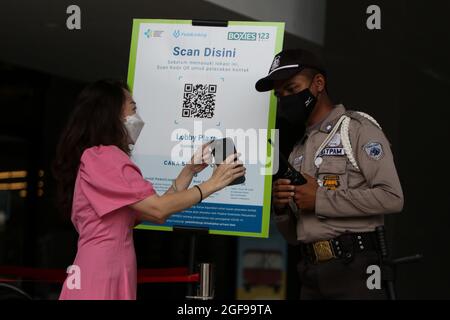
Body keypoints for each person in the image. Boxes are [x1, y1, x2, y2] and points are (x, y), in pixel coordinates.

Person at [53, 79, 245, 300]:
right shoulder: (104, 157)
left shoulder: (100, 157)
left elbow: (152, 210)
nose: (138, 117)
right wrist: (213, 183)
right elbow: (158, 209)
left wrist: (189, 172)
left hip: (109, 267)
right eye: (133, 108)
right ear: (112, 113)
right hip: (101, 271)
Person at [255, 49, 404, 300]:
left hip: (355, 269)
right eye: (280, 95)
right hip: (311, 272)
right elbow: (293, 237)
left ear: (318, 84)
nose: (286, 99)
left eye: (292, 89)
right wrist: (280, 208)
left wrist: (320, 199)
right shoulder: (297, 151)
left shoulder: (357, 129)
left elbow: (392, 197)